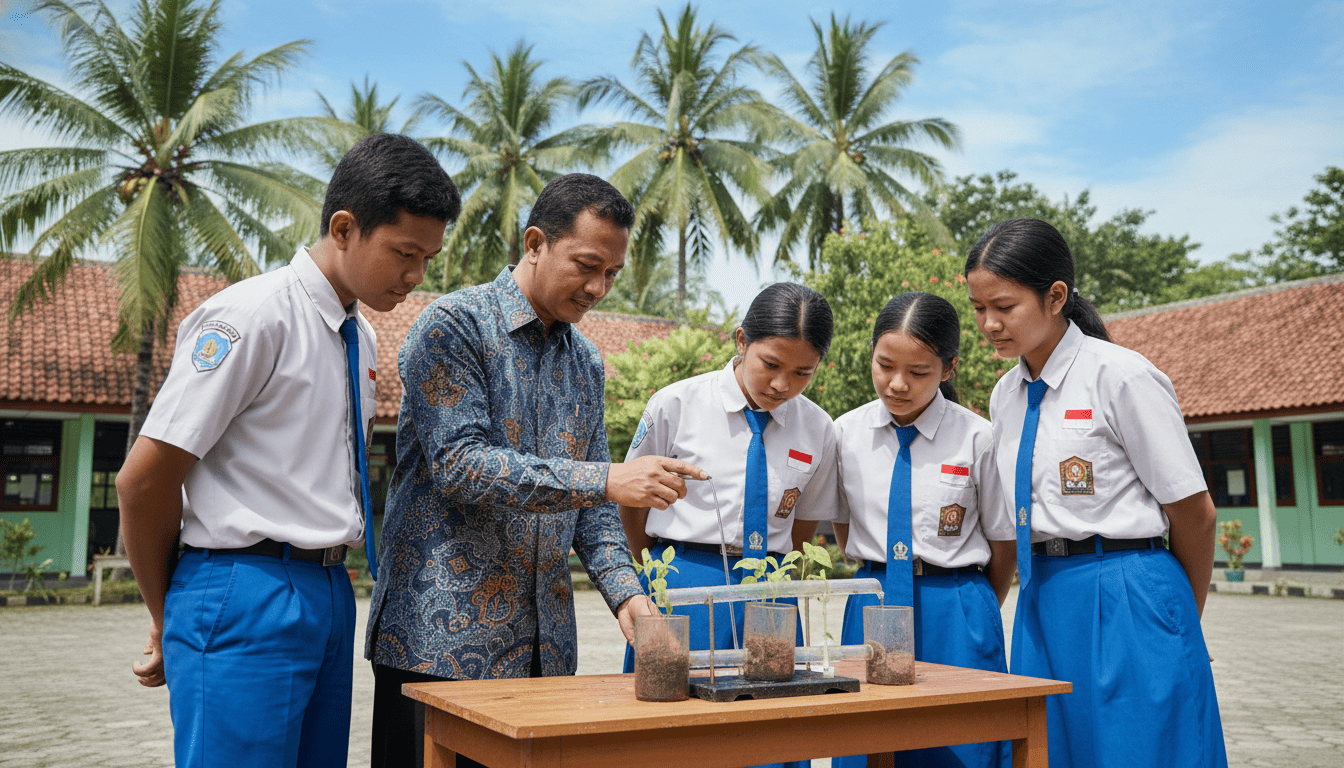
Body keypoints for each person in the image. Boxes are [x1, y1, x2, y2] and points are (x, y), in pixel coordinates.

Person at [115, 133, 460, 768]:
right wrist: (173, 615)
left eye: (427, 259)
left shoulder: (361, 338)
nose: (415, 277)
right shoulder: (254, 316)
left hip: (328, 588)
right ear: (345, 227)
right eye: (404, 253)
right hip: (244, 583)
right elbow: (143, 481)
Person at [365, 173, 707, 768]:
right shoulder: (454, 326)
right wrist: (605, 478)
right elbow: (461, 466)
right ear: (534, 243)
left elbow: (596, 514)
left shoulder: (586, 361)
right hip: (436, 648)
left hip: (545, 652)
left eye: (612, 274)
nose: (598, 287)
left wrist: (632, 604)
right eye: (586, 265)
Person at [966, 218, 1227, 768]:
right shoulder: (1005, 395)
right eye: (978, 307)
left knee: (1143, 750)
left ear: (1055, 296)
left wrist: (1174, 615)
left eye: (1005, 307)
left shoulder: (1122, 377)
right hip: (1043, 596)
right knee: (1049, 752)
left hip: (1129, 592)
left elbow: (1195, 515)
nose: (989, 324)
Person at [620, 282, 839, 768]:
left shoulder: (819, 428)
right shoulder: (676, 406)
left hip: (773, 590)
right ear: (742, 341)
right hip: (684, 580)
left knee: (772, 731)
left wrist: (774, 573)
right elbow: (631, 504)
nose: (783, 384)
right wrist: (649, 568)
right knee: (675, 731)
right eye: (771, 365)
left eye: (803, 372)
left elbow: (803, 526)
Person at [829, 291, 1014, 768]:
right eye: (884, 366)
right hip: (871, 601)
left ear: (948, 368)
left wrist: (969, 607)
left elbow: (1002, 540)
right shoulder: (845, 434)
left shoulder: (978, 438)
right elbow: (842, 524)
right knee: (865, 742)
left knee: (963, 741)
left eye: (918, 373)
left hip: (955, 606)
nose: (897, 385)